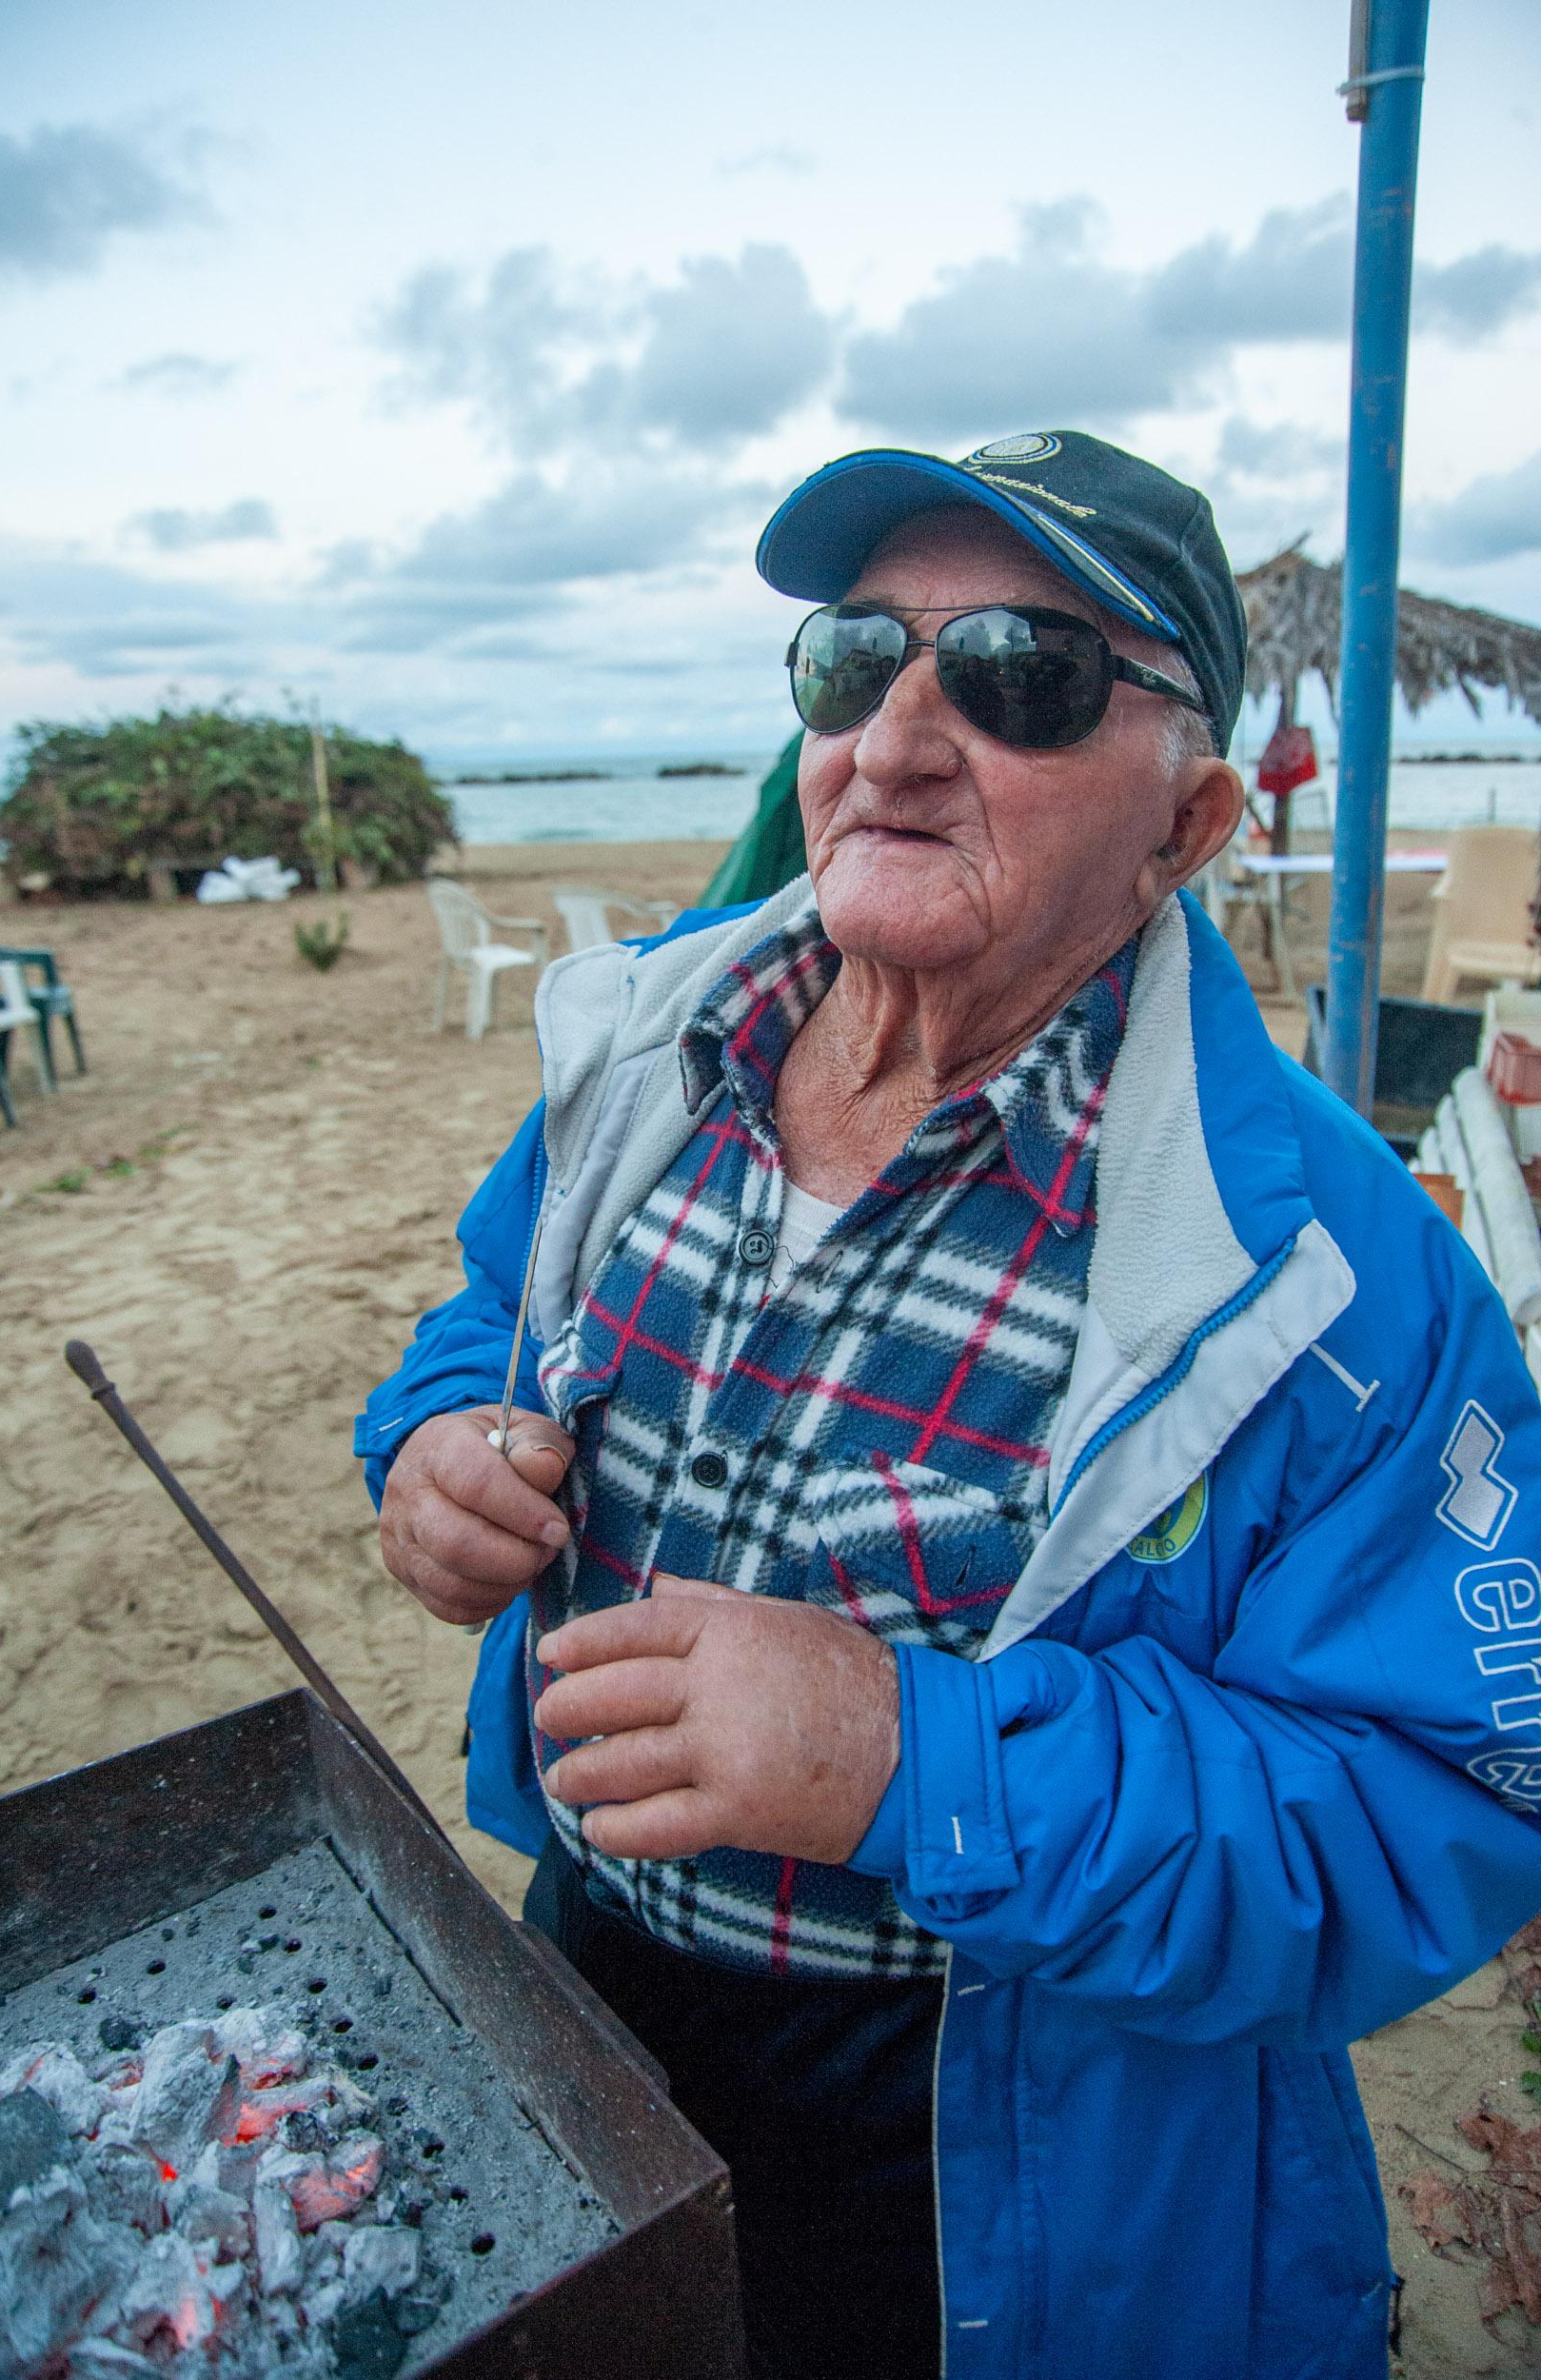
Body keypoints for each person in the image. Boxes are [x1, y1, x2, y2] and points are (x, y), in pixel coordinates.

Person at [358, 429, 1541, 2380]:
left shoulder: (1333, 1270)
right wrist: (429, 1449)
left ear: (1189, 820)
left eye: (1019, 673)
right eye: (852, 660)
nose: (896, 736)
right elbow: (488, 1310)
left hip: (1008, 2147)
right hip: (581, 1988)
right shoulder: (646, 1046)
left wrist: (918, 1753)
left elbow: (1438, 1808)